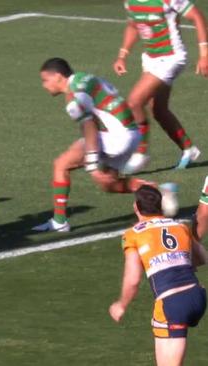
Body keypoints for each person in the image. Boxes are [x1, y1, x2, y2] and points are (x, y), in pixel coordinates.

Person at [33, 57, 175, 233]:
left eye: (45, 80)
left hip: (117, 137)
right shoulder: (85, 78)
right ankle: (158, 190)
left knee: (61, 164)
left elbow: (90, 126)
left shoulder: (73, 98)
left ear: (58, 76)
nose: (44, 85)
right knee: (109, 184)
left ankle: (59, 221)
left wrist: (93, 166)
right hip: (131, 132)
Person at [109, 185, 207, 366]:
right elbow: (202, 258)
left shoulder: (133, 235)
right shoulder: (180, 226)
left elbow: (133, 278)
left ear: (136, 208)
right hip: (197, 296)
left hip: (171, 305)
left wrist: (121, 304)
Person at [114, 0, 208, 173]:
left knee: (135, 102)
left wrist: (204, 54)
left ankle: (141, 153)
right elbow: (133, 25)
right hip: (150, 59)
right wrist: (123, 54)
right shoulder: (130, 2)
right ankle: (189, 149)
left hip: (172, 57)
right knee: (157, 109)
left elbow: (197, 16)